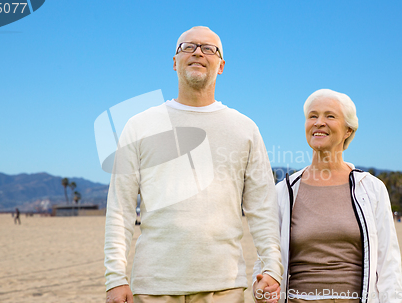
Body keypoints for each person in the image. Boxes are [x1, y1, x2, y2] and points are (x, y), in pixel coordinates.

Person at [105, 26, 283, 303]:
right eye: (188, 47)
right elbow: (121, 209)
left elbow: (263, 207)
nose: (198, 52)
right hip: (154, 286)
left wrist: (272, 266)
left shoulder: (244, 128)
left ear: (221, 65)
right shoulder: (139, 125)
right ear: (174, 62)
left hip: (224, 287)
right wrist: (115, 279)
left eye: (209, 48)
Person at [253, 89, 402, 303]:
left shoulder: (371, 189)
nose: (319, 122)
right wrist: (260, 289)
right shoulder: (284, 191)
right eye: (312, 116)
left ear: (348, 130)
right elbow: (265, 260)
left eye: (330, 116)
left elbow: (389, 264)